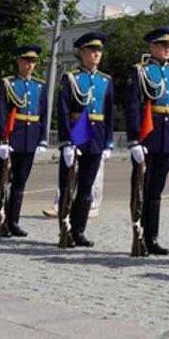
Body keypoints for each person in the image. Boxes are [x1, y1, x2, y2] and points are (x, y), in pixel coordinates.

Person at [126, 25, 169, 256]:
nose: (168, 49)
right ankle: (139, 235)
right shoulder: (140, 71)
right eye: (163, 45)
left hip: (168, 135)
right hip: (147, 135)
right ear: (152, 47)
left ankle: (152, 238)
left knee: (156, 191)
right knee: (141, 188)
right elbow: (133, 107)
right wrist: (134, 140)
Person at [57, 31, 114, 248]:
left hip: (96, 134)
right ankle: (65, 229)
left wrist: (108, 142)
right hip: (77, 132)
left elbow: (108, 113)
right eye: (92, 50)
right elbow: (63, 112)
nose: (96, 54)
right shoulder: (71, 78)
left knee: (86, 188)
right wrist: (66, 142)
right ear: (82, 53)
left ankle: (79, 230)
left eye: (99, 50)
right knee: (68, 185)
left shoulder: (105, 80)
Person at [0, 44, 49, 237]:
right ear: (18, 61)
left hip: (30, 137)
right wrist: (2, 139)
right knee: (2, 180)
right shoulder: (8, 83)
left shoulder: (39, 86)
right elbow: (1, 112)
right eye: (26, 61)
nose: (30, 65)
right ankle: (1, 220)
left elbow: (42, 113)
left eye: (33, 61)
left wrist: (42, 139)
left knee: (20, 183)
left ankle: (13, 221)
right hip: (12, 137)